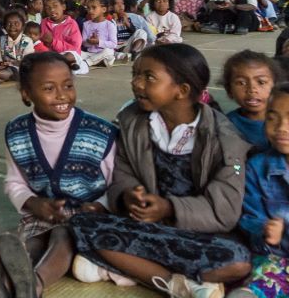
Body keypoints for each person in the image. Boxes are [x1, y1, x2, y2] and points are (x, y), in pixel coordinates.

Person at [67, 44, 251, 295]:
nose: (136, 83)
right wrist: (128, 195)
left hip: (196, 234)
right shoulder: (133, 122)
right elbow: (123, 172)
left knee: (237, 261)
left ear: (181, 90)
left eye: (149, 77)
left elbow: (225, 210)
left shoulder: (225, 139)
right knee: (80, 223)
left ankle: (125, 268)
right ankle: (176, 282)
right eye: (135, 74)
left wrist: (169, 208)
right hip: (147, 228)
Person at [0, 52, 118, 298]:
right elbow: (14, 182)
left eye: (68, 85)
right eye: (49, 88)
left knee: (62, 234)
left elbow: (118, 184)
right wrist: (33, 203)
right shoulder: (16, 131)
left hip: (91, 218)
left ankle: (33, 285)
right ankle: (2, 281)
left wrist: (101, 205)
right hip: (42, 215)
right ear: (26, 94)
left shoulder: (100, 133)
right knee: (33, 240)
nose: (62, 95)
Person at [237, 83, 289, 297]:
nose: (281, 127)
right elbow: (250, 218)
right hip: (277, 258)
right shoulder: (256, 167)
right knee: (252, 291)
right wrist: (266, 229)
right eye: (272, 117)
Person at [222, 50, 281, 154]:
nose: (252, 89)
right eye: (241, 83)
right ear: (229, 90)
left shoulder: (284, 120)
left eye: (261, 82)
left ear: (275, 87)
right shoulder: (225, 126)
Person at [80, 0, 118, 68]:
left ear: (104, 9)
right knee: (76, 53)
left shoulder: (109, 25)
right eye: (88, 8)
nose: (90, 11)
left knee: (109, 52)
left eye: (94, 7)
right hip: (90, 54)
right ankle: (96, 61)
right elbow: (84, 44)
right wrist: (89, 41)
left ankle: (87, 63)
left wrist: (98, 42)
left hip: (104, 53)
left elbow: (113, 44)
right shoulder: (86, 24)